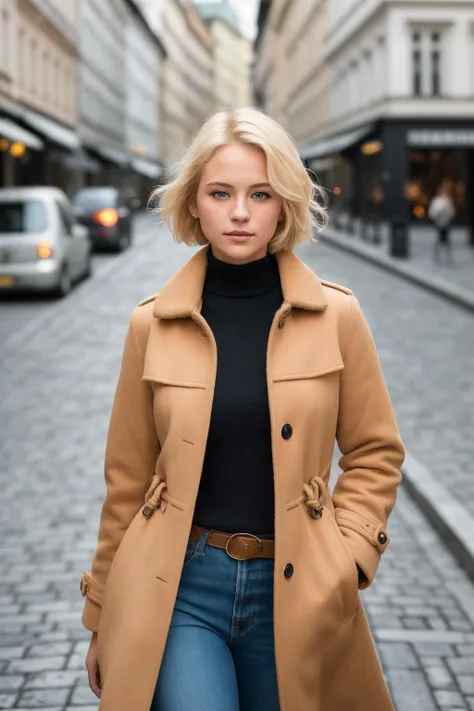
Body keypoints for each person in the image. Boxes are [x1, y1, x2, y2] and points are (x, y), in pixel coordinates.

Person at [81, 107, 405, 711]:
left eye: (260, 193)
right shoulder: (150, 325)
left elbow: (374, 452)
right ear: (193, 203)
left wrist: (347, 556)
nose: (238, 212)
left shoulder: (338, 317)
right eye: (220, 192)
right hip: (178, 589)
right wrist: (101, 612)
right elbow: (125, 482)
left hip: (297, 588)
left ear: (283, 203)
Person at [428, 184, 455, 263]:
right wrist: (437, 214)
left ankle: (448, 257)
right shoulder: (436, 201)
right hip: (439, 222)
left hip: (446, 222)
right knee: (439, 240)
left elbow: (451, 212)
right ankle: (437, 256)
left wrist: (447, 213)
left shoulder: (448, 200)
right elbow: (431, 213)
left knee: (447, 240)